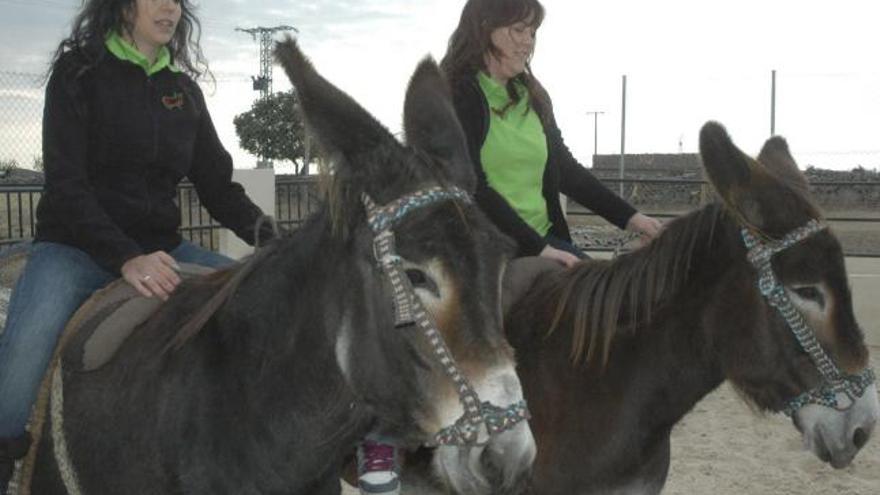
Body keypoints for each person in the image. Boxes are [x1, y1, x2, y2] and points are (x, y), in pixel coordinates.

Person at [0, 1, 274, 491]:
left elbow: (217, 187)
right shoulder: (79, 72)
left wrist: (275, 242)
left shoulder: (182, 90)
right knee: (16, 379)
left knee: (262, 300)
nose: (170, 6)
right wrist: (125, 257)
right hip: (74, 248)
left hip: (162, 250)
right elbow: (65, 183)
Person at [441, 0, 662, 268]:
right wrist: (538, 248)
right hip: (486, 250)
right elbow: (470, 187)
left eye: (532, 32)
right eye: (518, 30)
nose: (528, 42)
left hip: (545, 241)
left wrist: (634, 219)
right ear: (484, 28)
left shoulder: (532, 95)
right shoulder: (457, 95)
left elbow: (566, 171)